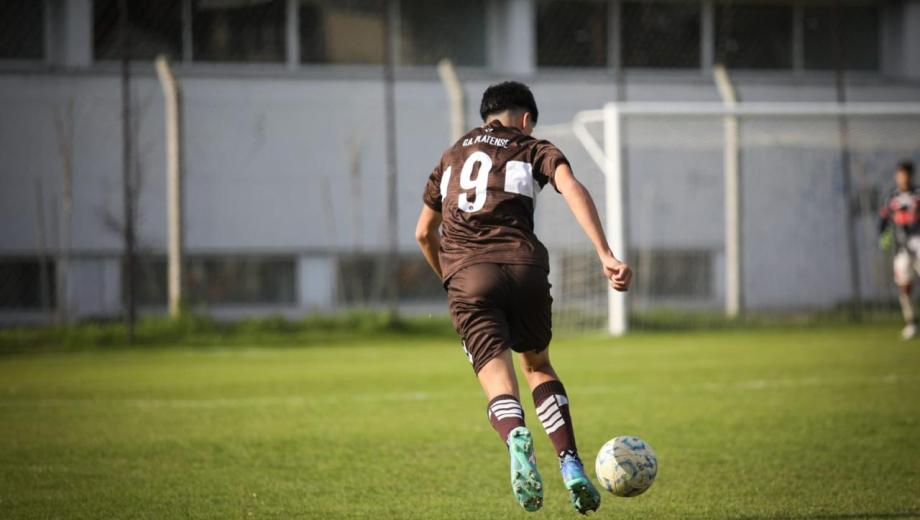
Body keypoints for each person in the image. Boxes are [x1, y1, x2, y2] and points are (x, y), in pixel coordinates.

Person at [414, 81, 632, 514]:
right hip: (525, 267)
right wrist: (605, 254)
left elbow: (423, 233)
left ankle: (516, 435)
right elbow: (572, 187)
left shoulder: (451, 156)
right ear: (526, 119)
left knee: (499, 384)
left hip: (469, 275)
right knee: (537, 365)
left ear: (486, 116)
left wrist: (452, 281)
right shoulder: (533, 147)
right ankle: (570, 463)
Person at [880, 160, 920, 340]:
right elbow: (883, 221)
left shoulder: (917, 195)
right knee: (904, 286)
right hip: (901, 248)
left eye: (905, 175)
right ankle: (911, 323)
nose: (902, 178)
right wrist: (883, 237)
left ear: (911, 176)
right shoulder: (891, 198)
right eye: (900, 175)